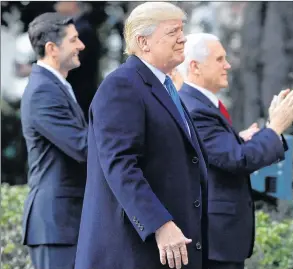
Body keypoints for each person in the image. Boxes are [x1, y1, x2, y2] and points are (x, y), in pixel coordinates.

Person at [74, 3, 208, 269]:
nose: (183, 38)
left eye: (182, 30)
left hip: (167, 252)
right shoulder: (121, 85)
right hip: (133, 253)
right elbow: (121, 165)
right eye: (172, 32)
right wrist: (159, 224)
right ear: (143, 42)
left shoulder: (165, 87)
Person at [177, 33, 293, 269]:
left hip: (220, 239)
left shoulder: (202, 104)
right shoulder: (196, 109)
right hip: (214, 240)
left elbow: (221, 153)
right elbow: (237, 160)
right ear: (195, 67)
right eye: (219, 60)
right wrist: (277, 127)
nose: (227, 65)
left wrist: (260, 132)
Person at [20, 12, 87, 269]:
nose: (81, 46)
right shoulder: (42, 91)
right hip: (56, 225)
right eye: (74, 40)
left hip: (65, 223)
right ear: (52, 48)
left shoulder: (55, 86)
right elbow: (82, 146)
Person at [54, 1, 101, 121]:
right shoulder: (80, 28)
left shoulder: (82, 30)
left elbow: (71, 63)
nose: (56, 3)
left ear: (72, 3)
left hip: (78, 97)